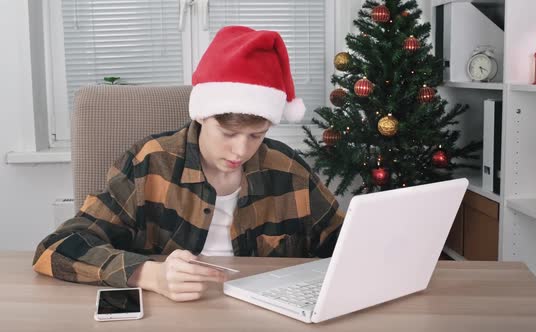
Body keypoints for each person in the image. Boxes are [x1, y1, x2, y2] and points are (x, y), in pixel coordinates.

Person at [32, 26, 344, 302]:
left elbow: (344, 243)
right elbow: (55, 248)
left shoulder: (287, 169)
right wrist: (151, 275)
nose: (241, 150)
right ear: (202, 115)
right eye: (228, 133)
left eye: (256, 136)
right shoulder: (150, 164)